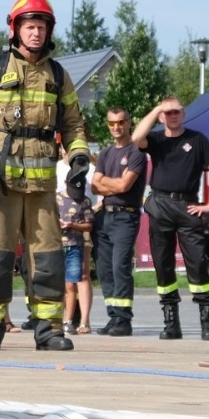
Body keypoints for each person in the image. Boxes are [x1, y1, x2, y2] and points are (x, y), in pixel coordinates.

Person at [0, 0, 91, 352]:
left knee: (47, 259)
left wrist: (79, 159)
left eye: (42, 27)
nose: (36, 33)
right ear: (15, 29)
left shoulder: (58, 75)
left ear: (50, 32)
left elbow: (76, 124)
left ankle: (48, 329)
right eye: (30, 26)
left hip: (43, 186)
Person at [133, 96, 209, 341]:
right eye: (168, 112)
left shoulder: (197, 139)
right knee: (163, 266)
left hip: (188, 204)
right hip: (160, 204)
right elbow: (136, 138)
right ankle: (171, 323)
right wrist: (156, 109)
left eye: (176, 112)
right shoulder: (157, 139)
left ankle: (207, 323)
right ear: (162, 116)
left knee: (198, 264)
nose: (172, 116)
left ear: (183, 114)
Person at [91, 107, 145, 336]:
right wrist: (109, 183)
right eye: (112, 123)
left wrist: (106, 182)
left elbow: (125, 187)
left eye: (121, 122)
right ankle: (113, 316)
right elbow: (94, 185)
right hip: (104, 215)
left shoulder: (136, 153)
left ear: (129, 122)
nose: (116, 127)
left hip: (126, 215)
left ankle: (124, 320)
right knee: (104, 270)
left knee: (120, 266)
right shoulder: (104, 153)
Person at [56, 171, 95, 335]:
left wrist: (72, 225)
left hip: (78, 242)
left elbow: (89, 225)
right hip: (59, 244)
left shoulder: (84, 201)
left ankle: (82, 321)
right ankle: (64, 319)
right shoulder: (56, 199)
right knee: (64, 284)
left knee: (78, 279)